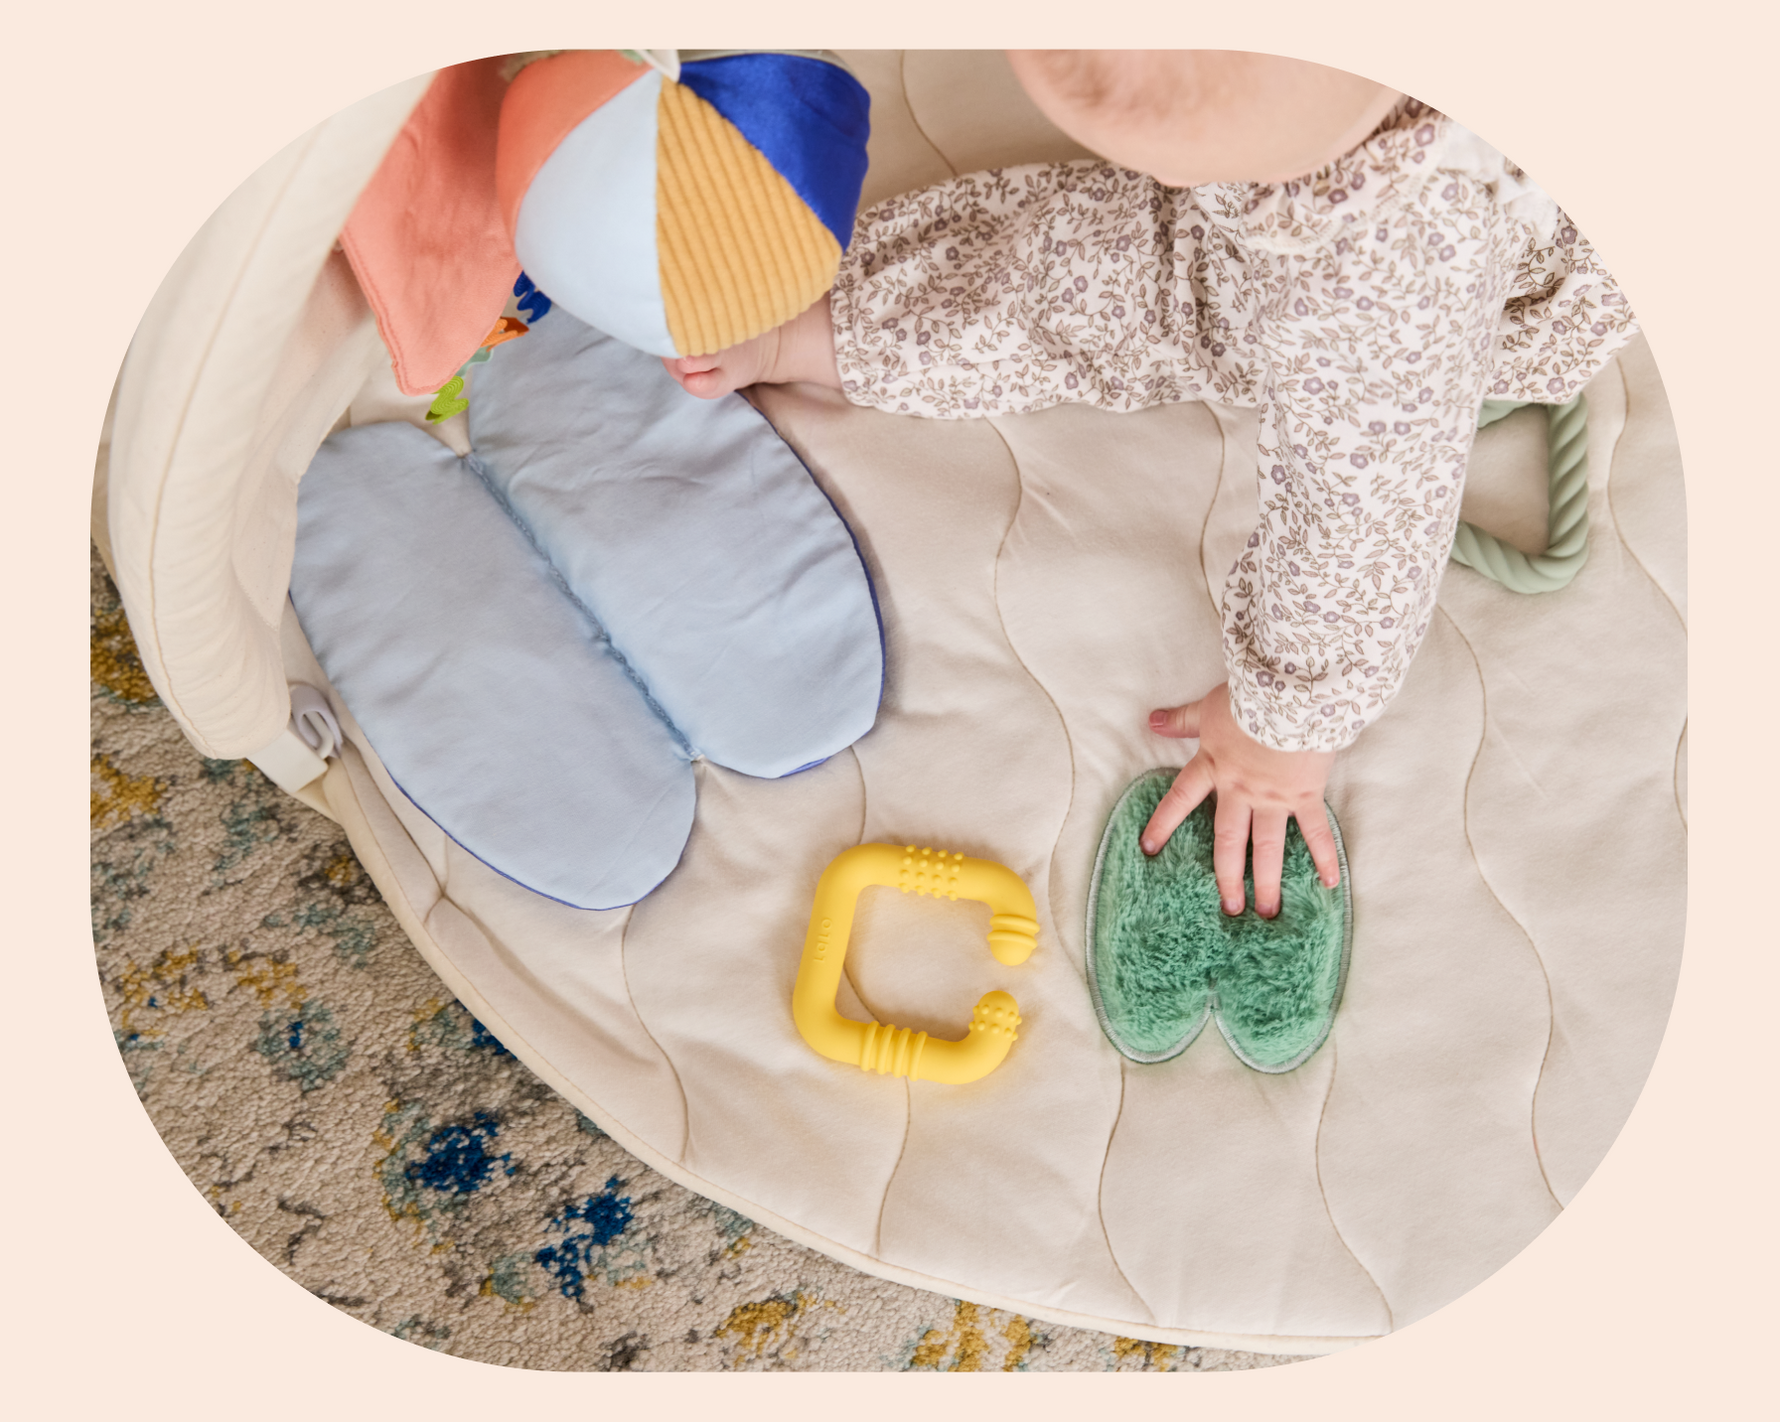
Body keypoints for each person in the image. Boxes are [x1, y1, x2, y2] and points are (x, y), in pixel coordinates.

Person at [661, 50, 1638, 919]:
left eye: (1186, 165)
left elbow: (1360, 533)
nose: (1164, 177)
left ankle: (820, 330)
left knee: (1093, 282)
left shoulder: (1375, 283)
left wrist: (1283, 734)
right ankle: (814, 324)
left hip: (1494, 273)